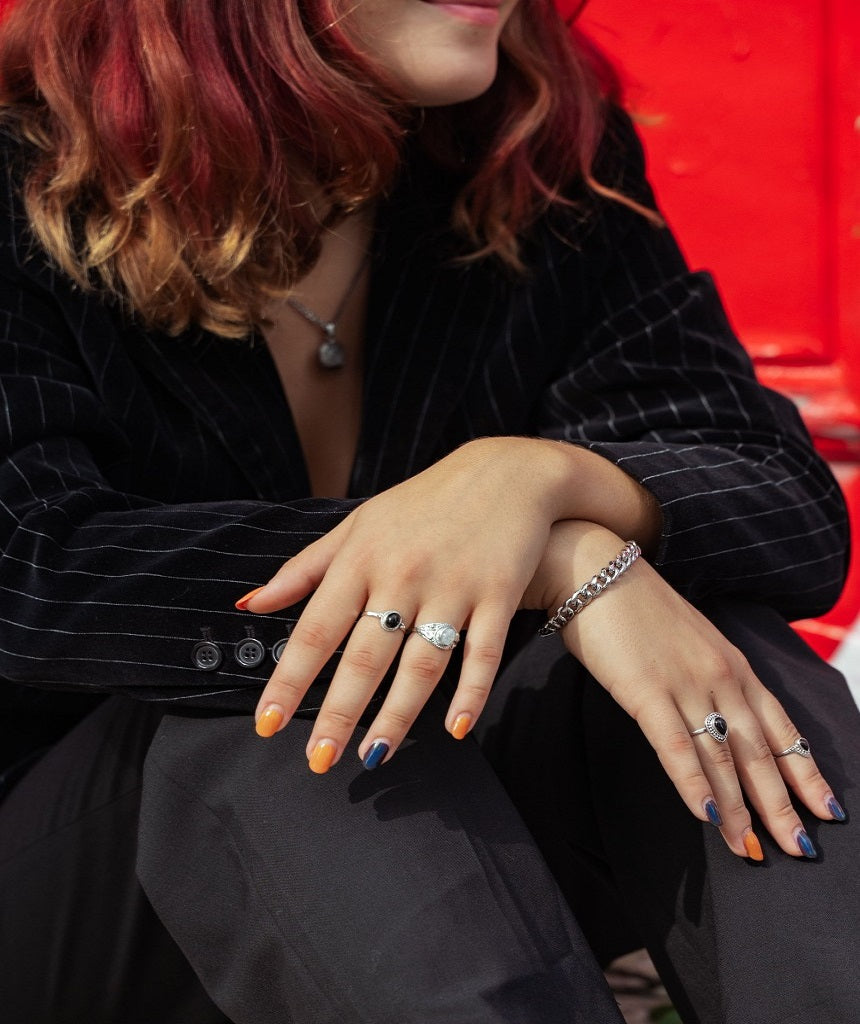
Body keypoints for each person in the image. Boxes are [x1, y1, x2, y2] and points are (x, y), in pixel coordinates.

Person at [0, 1, 857, 1022]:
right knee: (289, 709)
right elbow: (33, 572)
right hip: (71, 895)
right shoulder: (24, 175)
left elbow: (777, 492)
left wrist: (537, 488)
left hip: (409, 872)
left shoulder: (528, 150)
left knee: (722, 646)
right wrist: (548, 562)